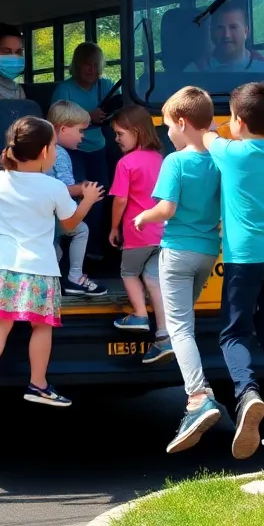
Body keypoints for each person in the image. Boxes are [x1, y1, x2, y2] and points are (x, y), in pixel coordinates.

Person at [0, 117, 104, 407]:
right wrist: (87, 199)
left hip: (3, 265)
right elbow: (70, 221)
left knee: (0, 323)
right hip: (40, 267)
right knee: (41, 326)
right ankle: (38, 385)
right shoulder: (53, 188)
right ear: (45, 152)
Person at [202, 82, 264, 459]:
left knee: (234, 332)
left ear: (239, 121)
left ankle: (246, 394)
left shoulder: (231, 153)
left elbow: (207, 133)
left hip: (245, 258)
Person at [132, 86, 224, 454]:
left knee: (178, 328)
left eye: (167, 124)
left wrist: (143, 216)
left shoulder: (176, 161)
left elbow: (166, 209)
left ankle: (198, 397)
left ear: (182, 123)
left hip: (178, 251)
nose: (166, 131)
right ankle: (199, 391)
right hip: (208, 252)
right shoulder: (220, 160)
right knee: (186, 316)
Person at [107, 105, 170, 364]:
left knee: (129, 273)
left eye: (120, 134)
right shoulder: (160, 158)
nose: (116, 139)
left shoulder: (126, 163)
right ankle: (164, 335)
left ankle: (140, 315)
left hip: (137, 232)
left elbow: (120, 200)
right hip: (161, 231)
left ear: (136, 132)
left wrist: (113, 227)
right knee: (154, 281)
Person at [51, 43, 114, 248]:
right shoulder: (64, 89)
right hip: (72, 151)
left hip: (98, 147)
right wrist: (89, 116)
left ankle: (94, 246)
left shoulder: (106, 86)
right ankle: (73, 245)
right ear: (76, 65)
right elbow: (55, 119)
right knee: (76, 195)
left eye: (96, 65)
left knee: (100, 196)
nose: (92, 70)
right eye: (87, 64)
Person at [45, 101, 107, 297]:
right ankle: (74, 277)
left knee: (56, 251)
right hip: (52, 214)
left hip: (40, 214)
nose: (83, 137)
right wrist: (83, 189)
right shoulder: (59, 153)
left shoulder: (40, 147)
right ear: (63, 128)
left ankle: (51, 285)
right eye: (80, 131)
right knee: (81, 230)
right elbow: (62, 189)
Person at [185, 3, 264, 74]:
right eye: (220, 28)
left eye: (233, 27)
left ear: (246, 31)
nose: (226, 35)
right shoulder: (193, 72)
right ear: (211, 32)